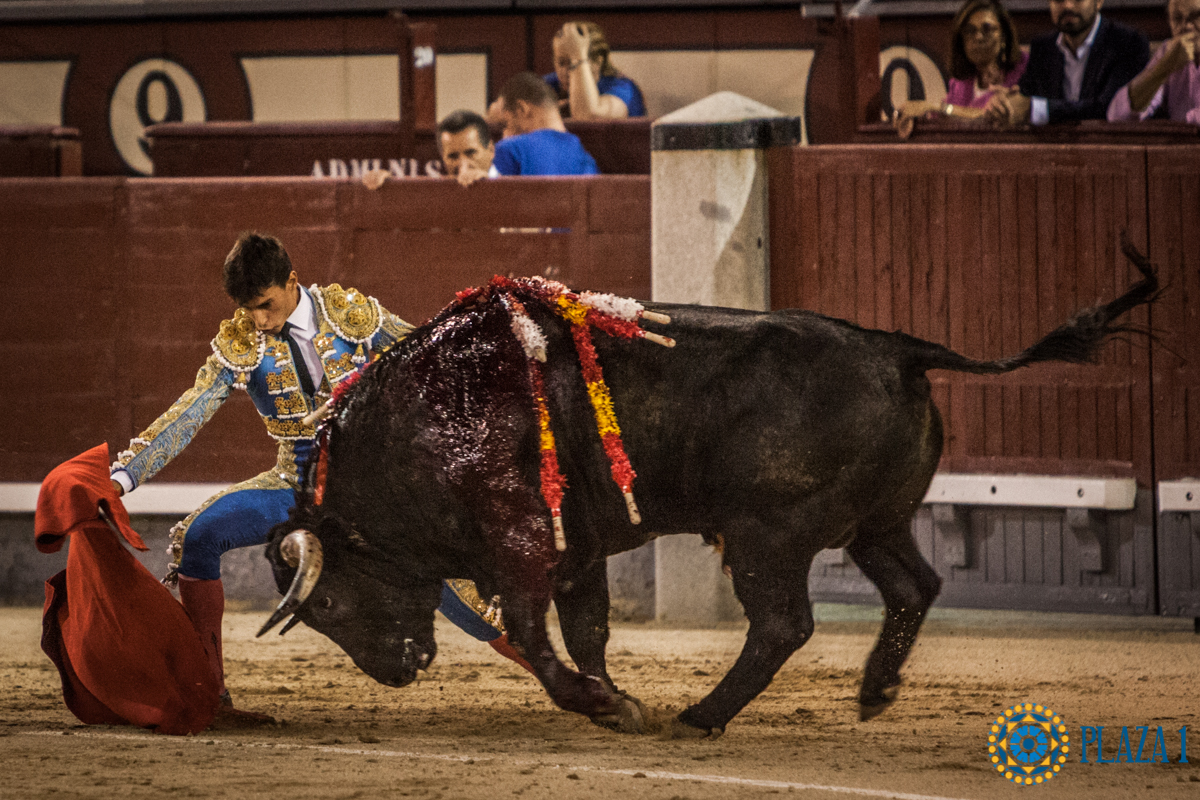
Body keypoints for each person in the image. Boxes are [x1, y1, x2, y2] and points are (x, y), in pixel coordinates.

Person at [109, 233, 527, 717]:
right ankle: (210, 695)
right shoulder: (242, 341)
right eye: (248, 309)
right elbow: (190, 412)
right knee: (199, 536)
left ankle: (570, 682)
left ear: (292, 281)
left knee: (473, 608)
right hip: (296, 483)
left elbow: (430, 364)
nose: (259, 320)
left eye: (266, 305)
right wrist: (122, 479)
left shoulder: (351, 315)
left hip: (376, 492)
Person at [985, 0, 1150, 126]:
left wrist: (1035, 109)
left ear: (1099, 2)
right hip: (1052, 152)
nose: (1068, 6)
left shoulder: (1128, 43)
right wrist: (1005, 102)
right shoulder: (1043, 48)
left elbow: (1110, 109)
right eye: (1059, 0)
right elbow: (1026, 96)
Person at [894, 0, 1028, 136]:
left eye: (987, 29)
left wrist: (940, 108)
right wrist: (916, 113)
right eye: (970, 31)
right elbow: (943, 116)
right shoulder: (961, 83)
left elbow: (989, 117)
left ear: (1004, 36)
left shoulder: (1025, 69)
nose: (978, 37)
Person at [1107, 0, 1200, 123]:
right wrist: (1164, 66)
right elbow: (1118, 115)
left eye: (1197, 16)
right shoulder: (1168, 52)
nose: (1186, 26)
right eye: (1177, 19)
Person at [491, 72, 599, 176]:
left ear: (522, 109)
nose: (505, 132)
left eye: (506, 123)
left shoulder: (510, 149)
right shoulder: (583, 155)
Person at [362, 110, 497, 190]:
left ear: (491, 150)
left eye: (471, 153)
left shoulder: (510, 185)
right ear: (443, 157)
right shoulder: (437, 193)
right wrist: (389, 188)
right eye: (453, 156)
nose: (463, 164)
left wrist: (490, 187)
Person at [545, 21, 646, 120]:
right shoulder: (548, 84)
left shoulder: (623, 88)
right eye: (561, 63)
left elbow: (588, 116)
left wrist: (578, 57)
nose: (566, 72)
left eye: (573, 64)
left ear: (598, 61)